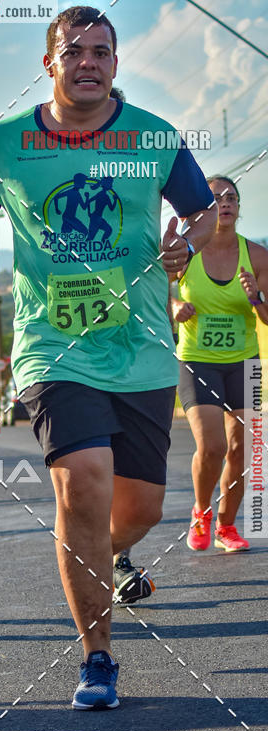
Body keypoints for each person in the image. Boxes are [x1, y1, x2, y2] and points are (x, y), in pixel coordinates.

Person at [0, 5, 217, 709]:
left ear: (116, 63)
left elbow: (202, 210)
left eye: (102, 51)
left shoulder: (153, 138)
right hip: (53, 346)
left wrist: (185, 244)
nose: (89, 62)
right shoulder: (4, 141)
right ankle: (97, 656)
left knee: (140, 508)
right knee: (83, 482)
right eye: (75, 52)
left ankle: (107, 555)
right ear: (50, 64)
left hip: (142, 349)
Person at [172, 175, 268, 552]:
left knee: (242, 449)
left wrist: (256, 298)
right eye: (216, 198)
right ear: (205, 210)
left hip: (245, 361)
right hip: (198, 361)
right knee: (212, 446)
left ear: (239, 207)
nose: (225, 203)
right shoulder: (185, 253)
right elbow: (156, 298)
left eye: (231, 197)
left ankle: (226, 526)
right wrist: (175, 307)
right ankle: (201, 511)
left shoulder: (258, 256)